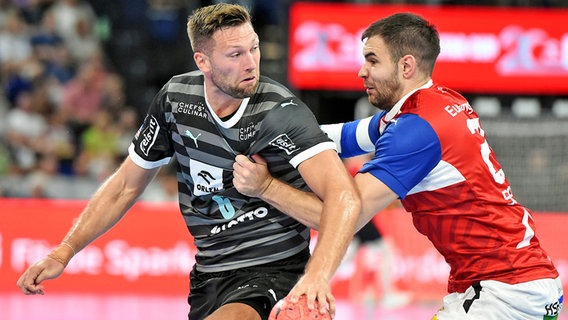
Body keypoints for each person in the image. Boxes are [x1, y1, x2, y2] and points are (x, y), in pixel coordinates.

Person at [16, 3, 361, 320]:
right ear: (203, 62)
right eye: (235, 54)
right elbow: (124, 186)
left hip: (274, 270)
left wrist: (268, 188)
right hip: (208, 276)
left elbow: (342, 204)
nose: (251, 62)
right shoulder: (175, 101)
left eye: (254, 48)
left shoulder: (280, 112)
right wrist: (63, 252)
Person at [232, 13, 564, 319]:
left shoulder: (417, 129)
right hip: (515, 283)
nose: (362, 71)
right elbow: (339, 136)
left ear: (406, 66)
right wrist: (259, 136)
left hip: (504, 291)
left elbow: (341, 216)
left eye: (372, 60)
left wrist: (265, 187)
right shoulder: (437, 103)